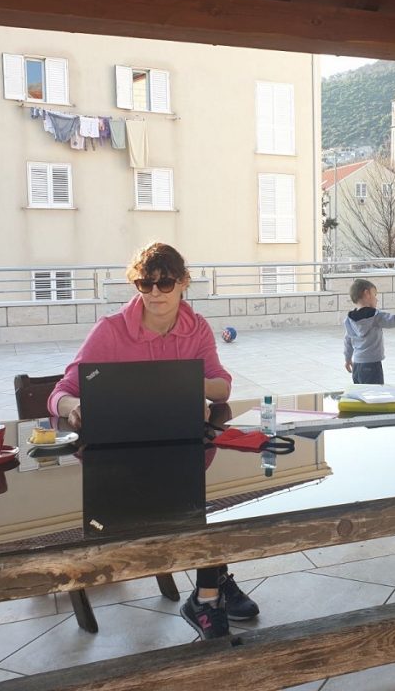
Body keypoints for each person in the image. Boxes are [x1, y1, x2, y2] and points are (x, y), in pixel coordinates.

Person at [48, 242, 258, 640]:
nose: (155, 293)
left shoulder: (195, 327)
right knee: (191, 503)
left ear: (183, 284)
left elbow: (222, 387)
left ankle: (212, 583)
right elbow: (60, 391)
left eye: (165, 283)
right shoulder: (111, 329)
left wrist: (188, 383)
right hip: (119, 462)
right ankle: (212, 586)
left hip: (181, 447)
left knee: (209, 497)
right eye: (146, 284)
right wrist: (75, 406)